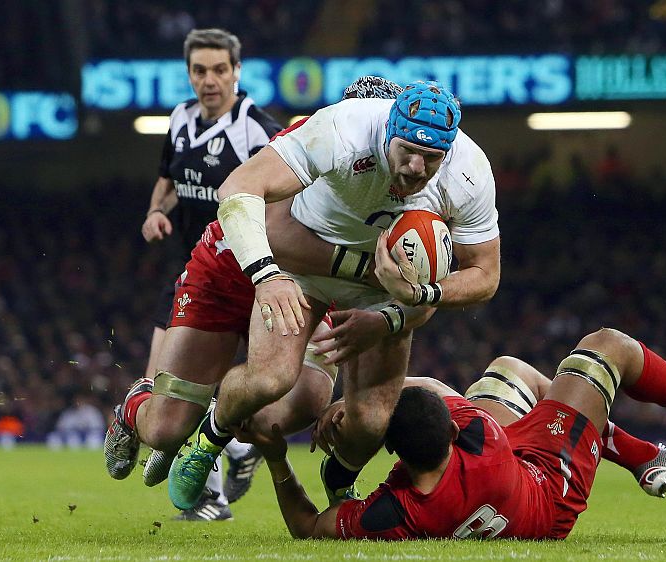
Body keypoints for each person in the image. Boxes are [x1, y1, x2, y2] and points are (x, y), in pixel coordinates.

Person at [167, 79, 501, 511]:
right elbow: (238, 186)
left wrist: (417, 295)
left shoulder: (469, 171)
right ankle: (210, 438)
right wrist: (267, 275)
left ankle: (339, 477)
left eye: (432, 157)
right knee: (270, 379)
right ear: (388, 130)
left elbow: (485, 275)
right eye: (407, 151)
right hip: (308, 264)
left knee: (372, 421)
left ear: (449, 151)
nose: (417, 168)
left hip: (380, 291)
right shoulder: (344, 128)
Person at [103, 76, 415, 512]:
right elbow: (276, 234)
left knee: (298, 403)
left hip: (307, 283)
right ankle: (137, 406)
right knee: (165, 429)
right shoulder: (317, 141)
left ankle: (221, 428)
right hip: (231, 271)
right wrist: (366, 270)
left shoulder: (403, 172)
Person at [252, 328, 666, 539]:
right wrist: (356, 400)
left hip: (500, 484)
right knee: (604, 351)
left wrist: (277, 458)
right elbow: (433, 387)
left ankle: (646, 458)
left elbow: (307, 526)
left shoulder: (396, 511)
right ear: (454, 429)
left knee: (505, 371)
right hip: (550, 487)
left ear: (396, 454)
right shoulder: (483, 436)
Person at [105, 28, 283, 521]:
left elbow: (285, 197)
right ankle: (222, 474)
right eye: (200, 70)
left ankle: (226, 466)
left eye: (220, 70)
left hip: (249, 275)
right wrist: (154, 212)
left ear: (237, 72)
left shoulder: (257, 130)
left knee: (229, 388)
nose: (210, 80)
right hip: (191, 271)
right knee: (166, 384)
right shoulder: (180, 119)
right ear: (188, 74)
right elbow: (169, 180)